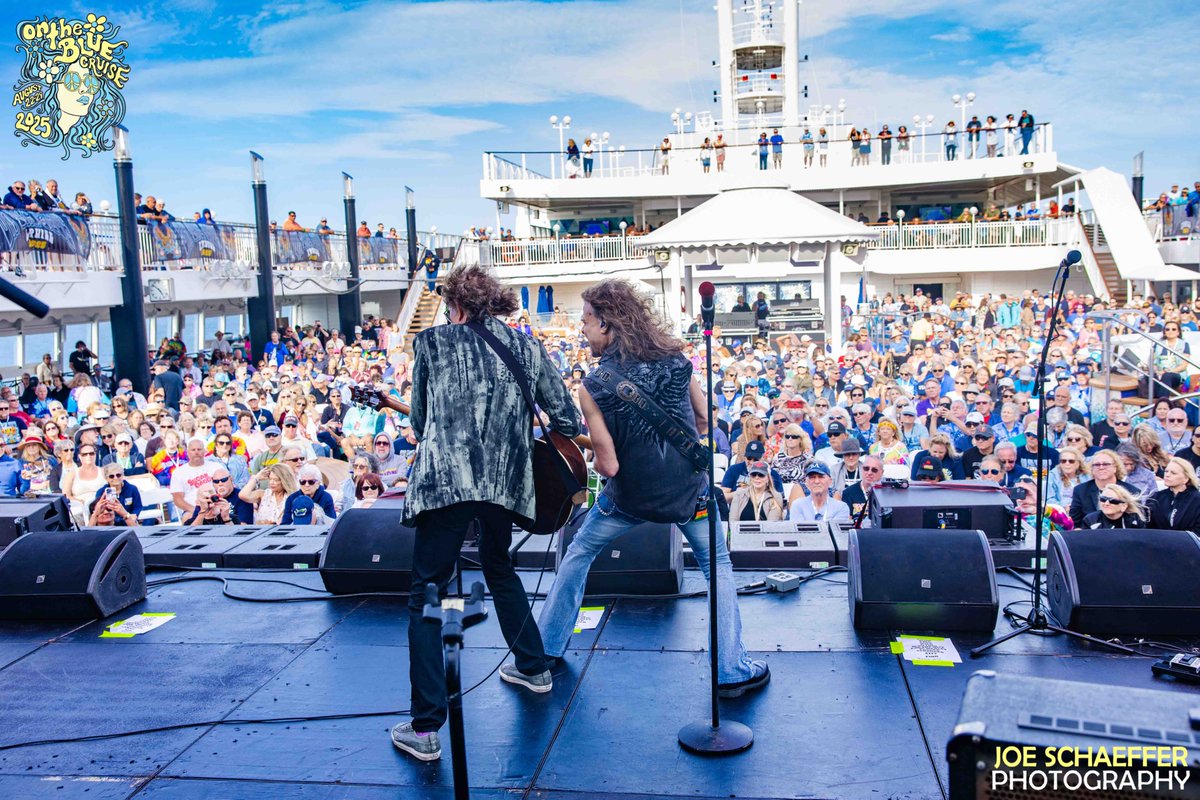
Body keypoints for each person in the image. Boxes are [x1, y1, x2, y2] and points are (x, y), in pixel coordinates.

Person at [539, 277, 766, 711]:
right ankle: (731, 671)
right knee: (716, 568)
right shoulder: (678, 362)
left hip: (627, 499)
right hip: (689, 495)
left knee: (578, 554)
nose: (581, 331)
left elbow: (609, 467)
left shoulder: (594, 386)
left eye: (586, 321)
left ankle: (547, 650)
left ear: (607, 324)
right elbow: (704, 422)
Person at [392, 263, 582, 763]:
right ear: (494, 301)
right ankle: (534, 667)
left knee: (425, 593)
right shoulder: (525, 345)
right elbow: (565, 416)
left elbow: (419, 420)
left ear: (455, 304)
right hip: (504, 484)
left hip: (444, 484)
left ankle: (427, 728)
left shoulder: (432, 344)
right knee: (499, 569)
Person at [1069, 449, 1136, 527]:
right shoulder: (1080, 491)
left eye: (1106, 464)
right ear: (1092, 469)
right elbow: (1074, 523)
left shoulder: (1131, 491)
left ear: (1115, 468)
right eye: (1097, 465)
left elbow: (1136, 521)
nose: (1101, 467)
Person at [170, 438, 220, 517]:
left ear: (204, 451)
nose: (196, 452)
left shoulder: (216, 467)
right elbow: (178, 500)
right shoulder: (178, 473)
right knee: (187, 518)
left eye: (199, 449)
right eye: (193, 450)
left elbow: (226, 488)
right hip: (192, 510)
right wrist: (197, 512)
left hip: (216, 507)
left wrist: (216, 508)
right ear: (188, 453)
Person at [1148, 457, 1200, 531]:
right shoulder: (1156, 497)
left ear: (1186, 478)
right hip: (1159, 540)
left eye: (1173, 473)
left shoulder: (1197, 500)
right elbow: (1148, 527)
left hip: (1188, 541)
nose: (1167, 475)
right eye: (1166, 471)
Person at [1081, 484, 1146, 530]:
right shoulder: (1091, 520)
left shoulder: (1134, 520)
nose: (1106, 503)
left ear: (1123, 506)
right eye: (1103, 499)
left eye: (1113, 501)